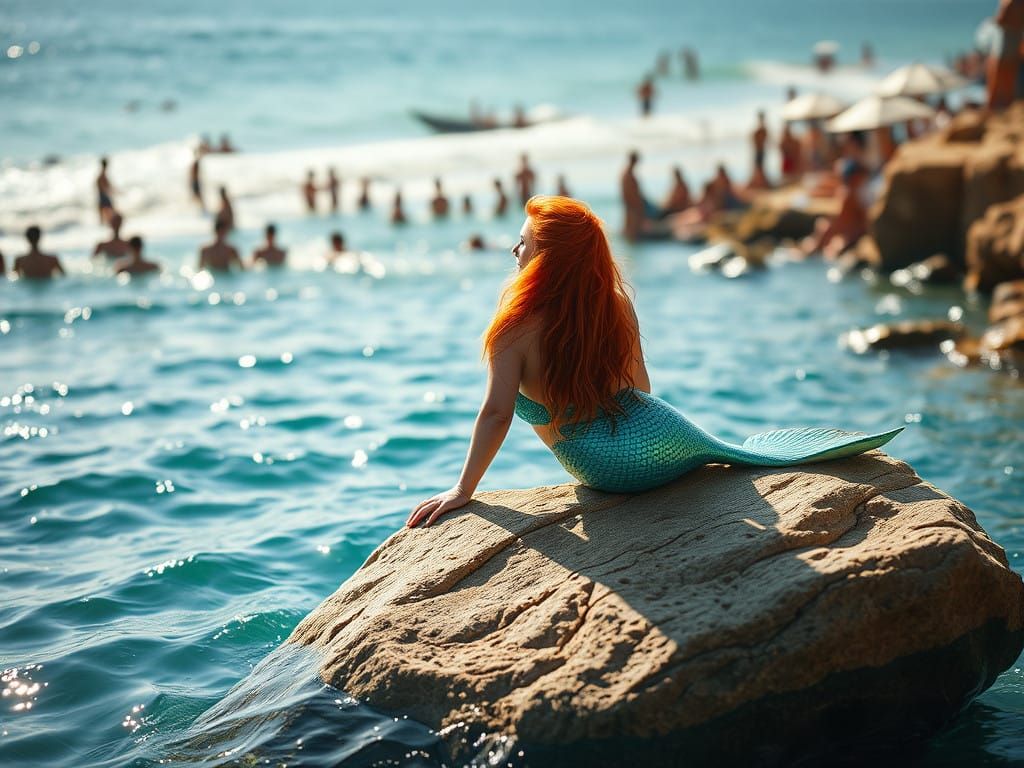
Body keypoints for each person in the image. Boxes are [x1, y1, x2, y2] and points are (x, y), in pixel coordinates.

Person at [406, 196, 902, 527]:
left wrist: (464, 489)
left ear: (546, 258)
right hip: (659, 440)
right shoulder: (615, 303)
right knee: (741, 453)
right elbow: (639, 389)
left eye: (524, 243)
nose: (514, 249)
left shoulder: (513, 328)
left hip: (603, 470)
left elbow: (497, 414)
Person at [800, 159, 871, 259]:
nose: (864, 181)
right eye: (862, 178)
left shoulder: (844, 192)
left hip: (841, 231)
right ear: (855, 178)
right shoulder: (851, 195)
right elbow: (860, 219)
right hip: (845, 233)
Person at [986, 0, 1024, 110]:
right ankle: (1005, 107)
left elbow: (1000, 20)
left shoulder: (1009, 2)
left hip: (1003, 48)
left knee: (996, 82)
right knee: (1009, 83)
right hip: (1014, 47)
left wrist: (993, 20)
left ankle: (992, 108)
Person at [620, 150, 662, 241]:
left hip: (631, 204)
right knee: (633, 229)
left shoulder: (626, 174)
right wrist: (639, 206)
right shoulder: (629, 175)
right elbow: (632, 193)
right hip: (633, 205)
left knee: (630, 228)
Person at [96, 156, 115, 224]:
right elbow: (104, 187)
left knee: (103, 217)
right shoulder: (102, 175)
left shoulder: (101, 175)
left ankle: (102, 228)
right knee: (111, 215)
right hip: (104, 197)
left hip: (102, 196)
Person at [752, 110, 769, 176]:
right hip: (759, 150)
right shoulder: (761, 129)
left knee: (759, 167)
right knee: (758, 167)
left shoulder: (762, 129)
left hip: (760, 151)